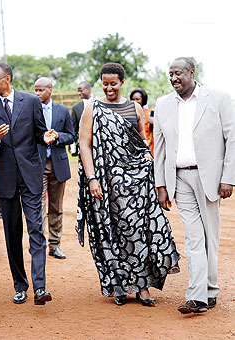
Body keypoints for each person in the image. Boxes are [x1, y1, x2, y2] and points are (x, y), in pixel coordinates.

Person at [77, 62, 180, 307]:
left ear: (122, 83)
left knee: (139, 231)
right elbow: (84, 144)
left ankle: (143, 288)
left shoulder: (134, 107)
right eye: (105, 84)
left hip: (136, 182)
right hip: (106, 183)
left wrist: (149, 162)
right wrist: (92, 178)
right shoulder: (92, 108)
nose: (109, 88)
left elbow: (142, 142)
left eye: (113, 84)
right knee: (114, 232)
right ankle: (120, 285)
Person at [154, 57, 235, 314]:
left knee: (210, 234)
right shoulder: (163, 104)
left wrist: (228, 177)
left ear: (192, 72)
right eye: (170, 74)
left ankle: (210, 290)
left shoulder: (219, 98)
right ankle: (198, 296)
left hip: (210, 177)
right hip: (179, 178)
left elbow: (231, 138)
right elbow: (161, 148)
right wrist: (161, 184)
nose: (174, 78)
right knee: (193, 236)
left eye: (178, 73)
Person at [0, 63, 56, 305]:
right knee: (12, 234)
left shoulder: (31, 102)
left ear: (8, 79)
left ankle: (40, 287)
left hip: (31, 177)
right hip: (5, 180)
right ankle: (20, 285)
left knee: (36, 231)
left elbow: (40, 133)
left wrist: (46, 137)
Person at [34, 77, 74, 259]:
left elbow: (71, 136)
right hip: (38, 165)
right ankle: (39, 245)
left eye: (41, 90)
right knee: (39, 206)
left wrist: (58, 136)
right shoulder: (31, 109)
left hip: (58, 163)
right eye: (35, 90)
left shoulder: (63, 110)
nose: (37, 93)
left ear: (50, 90)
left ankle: (55, 245)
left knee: (56, 207)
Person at [70, 81, 93, 156]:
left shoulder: (99, 103)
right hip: (83, 146)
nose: (79, 93)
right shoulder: (76, 108)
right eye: (78, 91)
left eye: (81, 90)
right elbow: (74, 129)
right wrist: (72, 148)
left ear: (88, 90)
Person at [130, 88, 154, 155]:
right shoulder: (129, 113)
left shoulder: (150, 112)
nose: (135, 101)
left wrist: (155, 123)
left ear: (143, 99)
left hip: (149, 145)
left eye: (137, 99)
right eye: (133, 99)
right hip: (134, 146)